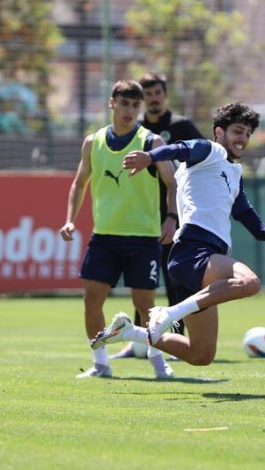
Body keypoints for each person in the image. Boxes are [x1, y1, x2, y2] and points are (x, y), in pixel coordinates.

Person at [88, 101, 265, 366]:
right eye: (237, 131)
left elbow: (259, 229)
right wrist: (150, 157)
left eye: (247, 133)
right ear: (219, 132)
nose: (242, 138)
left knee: (201, 355)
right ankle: (170, 313)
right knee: (250, 282)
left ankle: (130, 332)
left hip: (198, 261)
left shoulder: (234, 174)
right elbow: (180, 147)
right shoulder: (210, 150)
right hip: (193, 250)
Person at [59, 79, 179, 379]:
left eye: (134, 105)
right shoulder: (93, 142)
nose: (129, 110)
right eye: (124, 103)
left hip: (143, 238)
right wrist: (70, 219)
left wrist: (172, 217)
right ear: (112, 103)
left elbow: (172, 183)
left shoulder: (152, 143)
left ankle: (157, 360)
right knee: (92, 299)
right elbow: (79, 183)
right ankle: (101, 363)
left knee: (146, 307)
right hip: (105, 238)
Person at [113, 72, 204, 357]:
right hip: (145, 218)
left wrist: (179, 211)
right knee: (143, 285)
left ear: (164, 96)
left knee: (175, 280)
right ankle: (138, 342)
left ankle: (177, 343)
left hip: (177, 216)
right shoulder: (138, 131)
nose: (153, 99)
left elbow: (206, 158)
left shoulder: (181, 126)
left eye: (157, 94)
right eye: (148, 94)